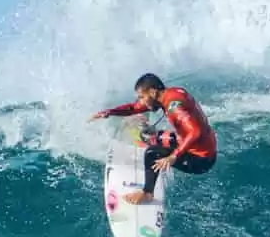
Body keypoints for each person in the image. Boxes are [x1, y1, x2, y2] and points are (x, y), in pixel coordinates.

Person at [89, 73, 217, 204]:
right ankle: (156, 144)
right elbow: (134, 108)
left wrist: (173, 156)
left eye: (142, 97)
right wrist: (110, 112)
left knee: (151, 153)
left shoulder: (174, 107)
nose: (141, 101)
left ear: (153, 92)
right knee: (151, 137)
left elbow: (195, 132)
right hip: (203, 144)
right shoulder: (171, 94)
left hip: (200, 160)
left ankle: (147, 194)